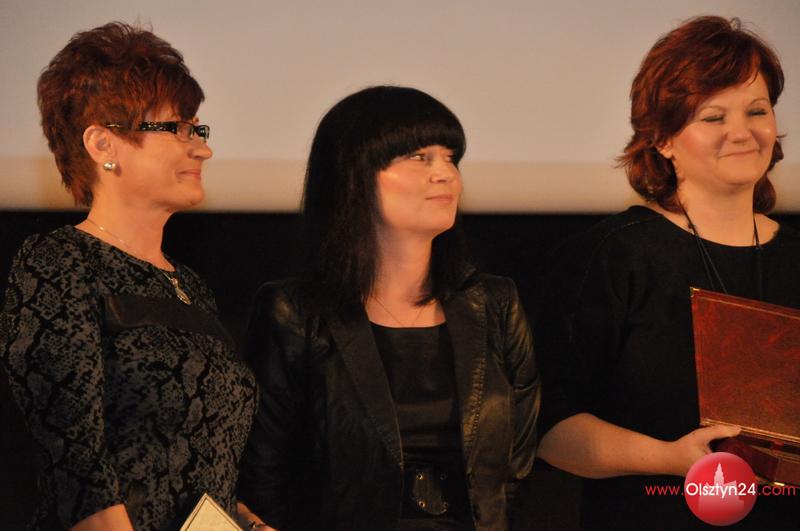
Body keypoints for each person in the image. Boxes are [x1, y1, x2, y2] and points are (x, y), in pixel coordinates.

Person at [535, 16, 800, 529]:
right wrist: (669, 459)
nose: (742, 132)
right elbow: (549, 429)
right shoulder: (615, 256)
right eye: (713, 117)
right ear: (663, 139)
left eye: (757, 110)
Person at [236, 86, 540, 530]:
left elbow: (516, 471)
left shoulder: (494, 303)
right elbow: (264, 478)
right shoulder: (295, 312)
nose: (445, 174)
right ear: (353, 175)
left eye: (450, 158)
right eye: (419, 157)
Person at [0, 22, 257, 530]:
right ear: (103, 144)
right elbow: (75, 462)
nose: (202, 149)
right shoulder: (58, 262)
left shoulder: (191, 287)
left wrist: (247, 521)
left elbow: (207, 466)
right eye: (177, 129)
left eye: (198, 130)